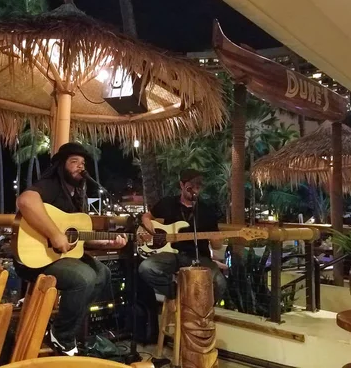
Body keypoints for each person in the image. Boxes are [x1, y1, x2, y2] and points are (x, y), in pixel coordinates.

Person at [15, 142, 127, 356]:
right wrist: (55, 235)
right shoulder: (51, 185)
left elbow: (79, 237)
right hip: (34, 261)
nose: (80, 167)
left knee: (102, 273)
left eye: (82, 163)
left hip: (59, 259)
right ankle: (62, 334)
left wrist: (106, 242)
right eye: (74, 162)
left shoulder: (75, 196)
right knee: (83, 277)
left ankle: (65, 328)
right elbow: (26, 200)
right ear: (60, 165)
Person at [138, 169, 227, 308]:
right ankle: (177, 294)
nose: (195, 190)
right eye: (191, 187)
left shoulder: (207, 211)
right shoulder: (168, 203)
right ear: (181, 185)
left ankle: (200, 312)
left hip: (199, 257)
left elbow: (216, 245)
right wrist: (150, 230)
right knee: (146, 268)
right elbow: (146, 216)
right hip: (172, 255)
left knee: (220, 283)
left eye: (198, 187)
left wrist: (217, 239)